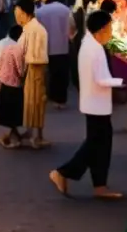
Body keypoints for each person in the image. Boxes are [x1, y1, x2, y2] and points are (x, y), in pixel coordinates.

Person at [49, 10, 122, 200]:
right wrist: (120, 82)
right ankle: (64, 172)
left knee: (99, 144)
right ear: (102, 29)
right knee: (96, 144)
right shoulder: (94, 48)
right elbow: (101, 79)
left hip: (94, 103)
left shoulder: (88, 44)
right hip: (96, 104)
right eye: (110, 28)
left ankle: (99, 185)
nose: (111, 32)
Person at [15, 0, 50, 149]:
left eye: (17, 13)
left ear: (24, 13)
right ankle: (33, 133)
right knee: (32, 101)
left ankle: (36, 136)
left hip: (35, 68)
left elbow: (30, 54)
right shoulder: (31, 28)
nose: (16, 17)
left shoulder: (35, 29)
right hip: (32, 68)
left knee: (36, 102)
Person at [37, 0, 76, 108]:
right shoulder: (65, 9)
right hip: (62, 46)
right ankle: (60, 100)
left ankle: (46, 96)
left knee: (46, 73)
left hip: (44, 46)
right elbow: (72, 27)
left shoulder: (40, 11)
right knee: (61, 74)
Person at [0, 25, 25, 148]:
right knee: (14, 113)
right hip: (14, 84)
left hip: (4, 82)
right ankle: (14, 139)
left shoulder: (4, 45)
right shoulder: (17, 48)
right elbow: (20, 69)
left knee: (7, 112)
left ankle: (14, 135)